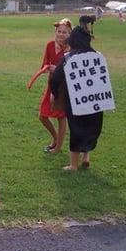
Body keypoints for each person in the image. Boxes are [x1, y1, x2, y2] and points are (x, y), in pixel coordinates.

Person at [50, 16, 103, 171]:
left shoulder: (69, 58)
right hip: (95, 102)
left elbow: (56, 78)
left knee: (77, 129)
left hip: (75, 102)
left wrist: (54, 94)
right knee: (90, 129)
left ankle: (73, 165)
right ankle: (86, 157)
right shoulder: (97, 56)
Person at [37, 18, 72, 153]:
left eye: (65, 32)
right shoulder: (50, 45)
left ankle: (58, 147)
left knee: (61, 116)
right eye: (59, 31)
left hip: (64, 88)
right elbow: (45, 63)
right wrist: (46, 68)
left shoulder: (70, 50)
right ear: (55, 32)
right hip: (52, 85)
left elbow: (70, 70)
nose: (61, 34)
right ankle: (56, 138)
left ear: (69, 34)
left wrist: (56, 68)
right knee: (42, 115)